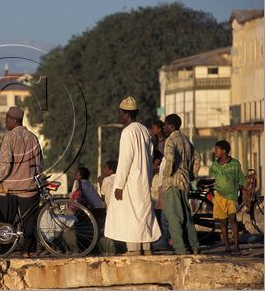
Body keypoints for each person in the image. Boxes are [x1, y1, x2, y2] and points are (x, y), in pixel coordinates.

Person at [104, 96, 161, 255]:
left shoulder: (128, 132)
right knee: (143, 214)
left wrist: (119, 185)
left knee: (130, 215)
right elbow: (149, 157)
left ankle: (134, 249)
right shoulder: (144, 130)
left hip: (130, 181)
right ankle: (146, 248)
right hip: (143, 179)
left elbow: (125, 160)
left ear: (124, 113)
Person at [0, 106, 44, 258]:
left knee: (4, 222)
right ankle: (27, 251)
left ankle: (1, 250)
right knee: (29, 223)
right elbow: (39, 164)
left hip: (9, 188)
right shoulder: (32, 137)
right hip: (29, 188)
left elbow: (5, 164)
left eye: (7, 119)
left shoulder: (10, 137)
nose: (5, 122)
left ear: (14, 120)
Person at [161, 114, 201, 255]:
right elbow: (197, 158)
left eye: (165, 125)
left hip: (172, 182)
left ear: (171, 126)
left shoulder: (170, 140)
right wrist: (191, 175)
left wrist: (166, 175)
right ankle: (195, 246)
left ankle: (180, 248)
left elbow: (170, 158)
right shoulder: (185, 140)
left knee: (174, 217)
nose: (163, 127)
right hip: (184, 182)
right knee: (186, 215)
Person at [210, 140, 246, 253]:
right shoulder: (215, 164)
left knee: (233, 220)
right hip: (219, 196)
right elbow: (213, 177)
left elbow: (240, 179)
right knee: (222, 222)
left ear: (224, 151)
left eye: (217, 150)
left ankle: (236, 245)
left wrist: (244, 191)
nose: (215, 152)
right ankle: (226, 246)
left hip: (231, 196)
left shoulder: (235, 164)